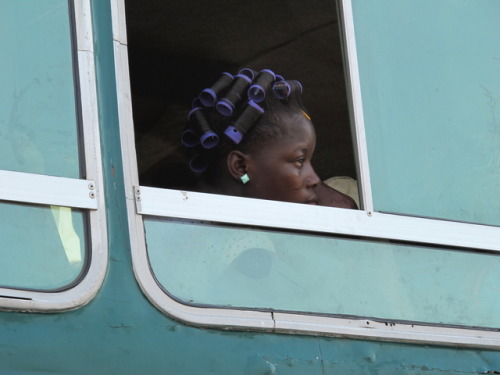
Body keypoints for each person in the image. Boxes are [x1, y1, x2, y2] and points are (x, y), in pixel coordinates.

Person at [182, 68, 357, 209]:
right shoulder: (250, 248)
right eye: (300, 161)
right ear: (241, 167)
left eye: (310, 161)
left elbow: (345, 205)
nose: (315, 179)